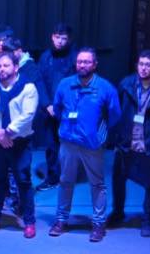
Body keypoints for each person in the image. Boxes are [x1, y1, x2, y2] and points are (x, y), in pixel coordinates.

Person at [49, 48, 121, 242]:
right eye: (80, 61)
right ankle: (61, 220)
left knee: (97, 184)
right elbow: (57, 109)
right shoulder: (65, 84)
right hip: (68, 143)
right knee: (65, 181)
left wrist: (99, 134)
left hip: (92, 145)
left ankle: (98, 224)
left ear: (95, 64)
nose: (82, 65)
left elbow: (114, 115)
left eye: (87, 62)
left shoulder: (105, 88)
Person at [111, 49, 150, 237]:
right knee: (118, 178)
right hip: (127, 139)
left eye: (148, 65)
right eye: (141, 64)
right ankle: (117, 212)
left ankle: (148, 220)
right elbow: (117, 110)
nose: (144, 68)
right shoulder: (126, 84)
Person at [0, 53, 38, 238]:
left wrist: (8, 132)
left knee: (23, 181)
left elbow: (28, 115)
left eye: (6, 65)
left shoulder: (28, 88)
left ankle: (29, 221)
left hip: (19, 142)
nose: (1, 69)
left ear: (16, 67)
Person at [36, 22, 76, 192]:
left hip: (69, 110)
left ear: (69, 39)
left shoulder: (75, 57)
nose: (60, 41)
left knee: (69, 145)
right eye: (57, 37)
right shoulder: (45, 57)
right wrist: (47, 104)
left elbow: (77, 85)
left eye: (63, 38)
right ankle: (53, 178)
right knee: (51, 146)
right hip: (49, 110)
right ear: (52, 37)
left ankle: (68, 177)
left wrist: (66, 107)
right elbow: (39, 81)